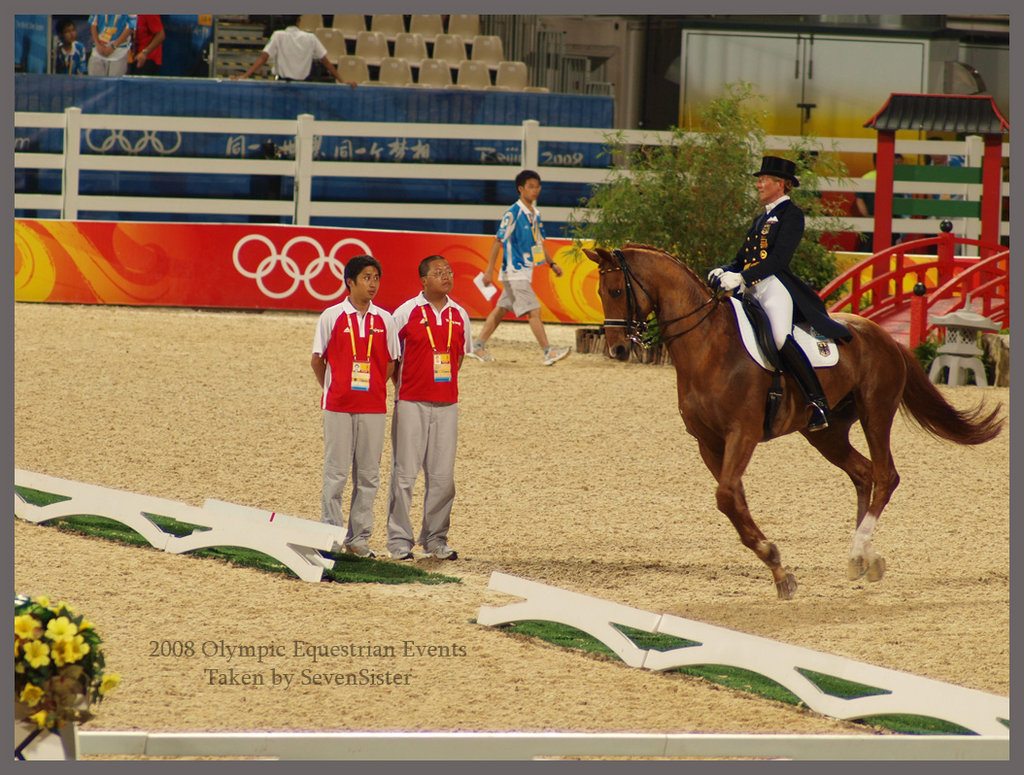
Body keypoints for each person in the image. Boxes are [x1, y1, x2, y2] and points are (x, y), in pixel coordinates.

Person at [708, 155, 851, 432]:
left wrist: (742, 276)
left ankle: (817, 401)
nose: (759, 185)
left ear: (781, 184)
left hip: (773, 286)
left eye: (764, 180)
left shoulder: (791, 215)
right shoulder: (760, 217)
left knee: (778, 337)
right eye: (759, 180)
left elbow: (778, 260)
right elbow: (742, 258)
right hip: (750, 286)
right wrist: (723, 269)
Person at [311, 254, 400, 558]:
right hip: (337, 406)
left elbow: (390, 363)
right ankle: (331, 534)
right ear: (350, 282)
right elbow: (317, 359)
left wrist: (373, 387)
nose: (372, 284)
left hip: (373, 407)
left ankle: (359, 538)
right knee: (335, 473)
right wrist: (334, 390)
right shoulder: (331, 316)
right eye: (366, 278)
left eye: (376, 278)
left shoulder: (385, 319)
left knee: (368, 475)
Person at [385, 255, 472, 561]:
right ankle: (398, 540)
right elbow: (392, 359)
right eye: (438, 273)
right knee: (404, 474)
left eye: (448, 271)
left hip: (447, 404)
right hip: (411, 402)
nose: (446, 276)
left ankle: (435, 539)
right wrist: (405, 389)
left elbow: (458, 358)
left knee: (443, 477)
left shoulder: (460, 314)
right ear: (423, 280)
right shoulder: (405, 312)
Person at [472, 169, 571, 366]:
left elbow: (539, 244)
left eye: (537, 186)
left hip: (524, 273)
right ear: (521, 189)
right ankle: (548, 352)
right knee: (534, 310)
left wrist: (552, 264)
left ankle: (477, 346)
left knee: (501, 310)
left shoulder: (535, 215)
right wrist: (490, 270)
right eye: (531, 187)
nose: (535, 190)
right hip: (514, 273)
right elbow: (497, 241)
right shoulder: (513, 213)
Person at [231, 15, 356, 86]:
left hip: (282, 86)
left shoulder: (278, 35)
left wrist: (244, 76)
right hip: (304, 86)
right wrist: (342, 81)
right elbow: (325, 61)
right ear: (298, 21)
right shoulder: (310, 37)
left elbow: (263, 58)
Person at [853, 153, 906, 250]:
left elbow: (859, 199)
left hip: (872, 224)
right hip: (890, 225)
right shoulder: (893, 179)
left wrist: (867, 216)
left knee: (868, 252)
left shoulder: (866, 177)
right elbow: (900, 204)